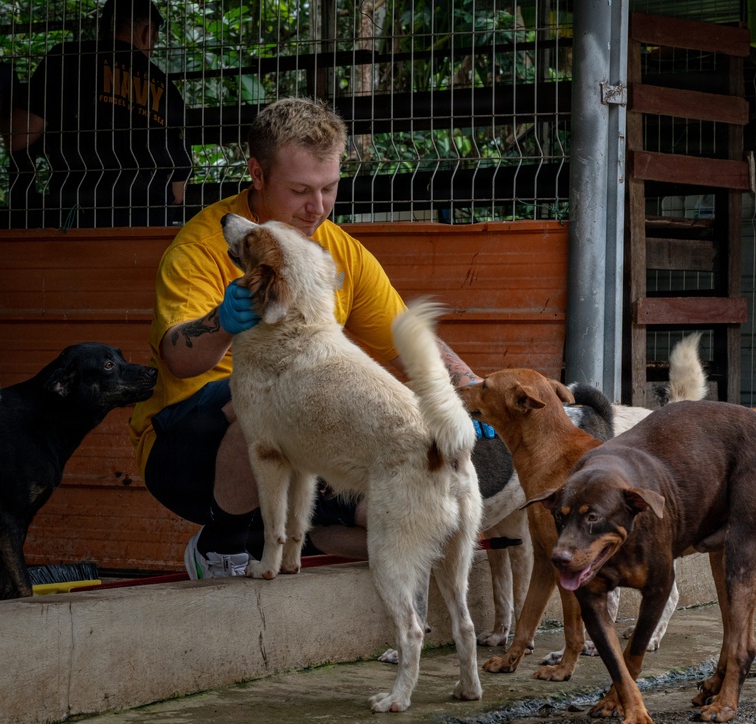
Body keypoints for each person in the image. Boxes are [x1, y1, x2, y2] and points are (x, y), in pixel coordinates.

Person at [129, 97, 493, 579]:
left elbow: (405, 339)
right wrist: (221, 323)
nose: (317, 208)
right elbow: (177, 359)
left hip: (302, 443)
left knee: (404, 519)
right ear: (257, 175)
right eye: (300, 190)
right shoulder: (201, 247)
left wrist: (476, 393)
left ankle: (306, 536)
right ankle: (218, 546)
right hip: (186, 445)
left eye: (329, 189)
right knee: (269, 391)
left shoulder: (342, 251)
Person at [3, 0, 190, 227]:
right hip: (147, 222)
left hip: (78, 216)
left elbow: (18, 137)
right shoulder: (166, 89)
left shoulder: (67, 59)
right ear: (148, 33)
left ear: (104, 27)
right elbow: (178, 193)